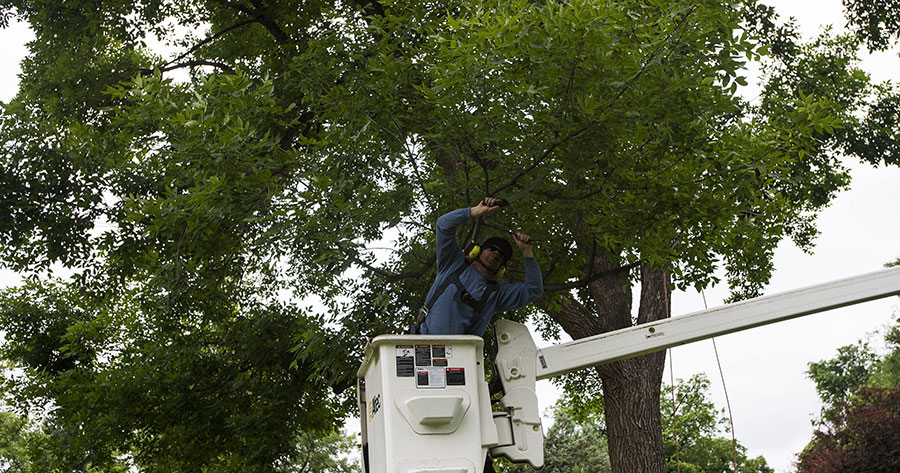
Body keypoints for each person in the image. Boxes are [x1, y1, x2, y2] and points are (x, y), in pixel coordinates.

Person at [417, 197, 543, 336]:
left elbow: (534, 289)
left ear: (501, 268)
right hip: (421, 344)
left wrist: (527, 252)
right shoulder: (452, 264)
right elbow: (443, 224)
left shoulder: (497, 293)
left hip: (462, 355)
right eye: (492, 248)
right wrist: (475, 211)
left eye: (501, 255)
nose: (496, 253)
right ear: (476, 251)